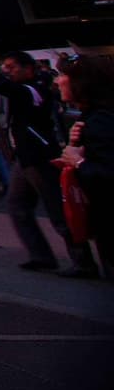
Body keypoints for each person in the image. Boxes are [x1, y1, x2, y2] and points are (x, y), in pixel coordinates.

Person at [0, 50, 91, 273]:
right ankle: (41, 255)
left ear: (28, 68)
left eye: (12, 67)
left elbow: (6, 88)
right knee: (17, 204)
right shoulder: (29, 89)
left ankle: (82, 260)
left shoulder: (33, 89)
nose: (7, 72)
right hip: (25, 155)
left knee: (56, 209)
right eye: (6, 67)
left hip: (38, 156)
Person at [57, 54, 114, 278]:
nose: (57, 80)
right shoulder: (95, 117)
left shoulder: (100, 121)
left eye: (63, 75)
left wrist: (79, 162)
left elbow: (108, 175)